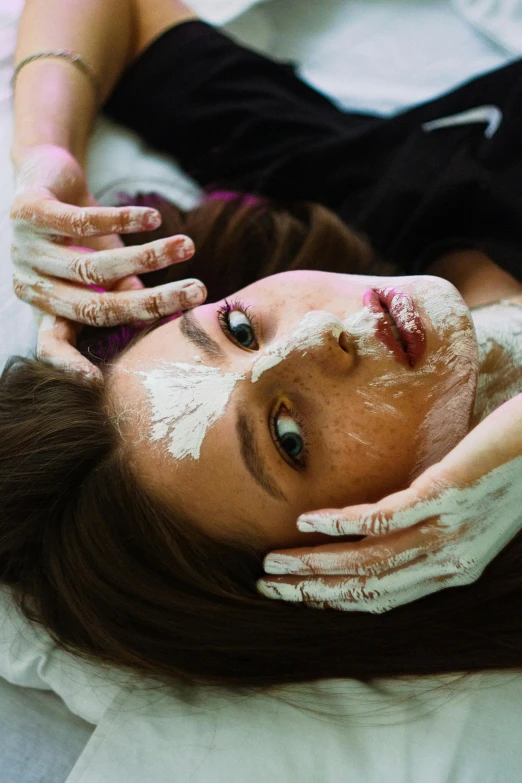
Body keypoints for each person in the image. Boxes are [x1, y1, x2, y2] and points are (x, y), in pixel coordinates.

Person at [2, 0, 521, 688]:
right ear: (369, 553)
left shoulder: (363, 191)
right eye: (288, 435)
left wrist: (42, 152)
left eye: (239, 329)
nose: (315, 335)